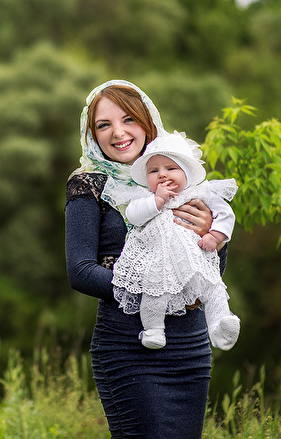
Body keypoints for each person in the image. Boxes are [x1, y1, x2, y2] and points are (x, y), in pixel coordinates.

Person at [65, 79, 226, 438]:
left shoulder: (180, 177)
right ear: (92, 134)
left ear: (147, 120)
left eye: (128, 119)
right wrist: (154, 290)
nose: (118, 133)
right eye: (103, 125)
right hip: (128, 346)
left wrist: (213, 238)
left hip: (190, 348)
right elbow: (80, 271)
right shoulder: (89, 184)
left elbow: (210, 273)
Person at [105, 131, 240, 351]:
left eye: (170, 168)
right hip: (159, 262)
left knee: (212, 287)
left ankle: (220, 324)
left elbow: (225, 214)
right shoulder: (145, 197)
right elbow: (133, 215)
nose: (162, 174)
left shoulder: (199, 194)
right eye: (154, 171)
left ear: (186, 172)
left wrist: (215, 236)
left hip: (195, 258)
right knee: (154, 292)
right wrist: (157, 200)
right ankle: (154, 330)